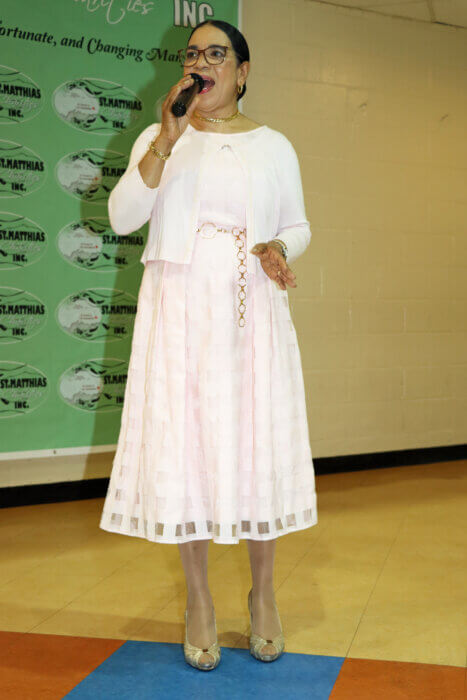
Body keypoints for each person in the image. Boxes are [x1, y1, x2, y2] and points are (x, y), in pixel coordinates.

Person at [99, 19, 318, 671]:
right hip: (180, 311)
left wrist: (279, 248)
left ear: (242, 71)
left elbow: (297, 223)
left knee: (257, 445)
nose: (201, 63)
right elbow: (120, 216)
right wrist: (165, 140)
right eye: (192, 54)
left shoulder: (273, 145)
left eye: (215, 54)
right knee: (186, 448)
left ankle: (264, 593)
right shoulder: (159, 135)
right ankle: (198, 599)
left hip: (251, 312)